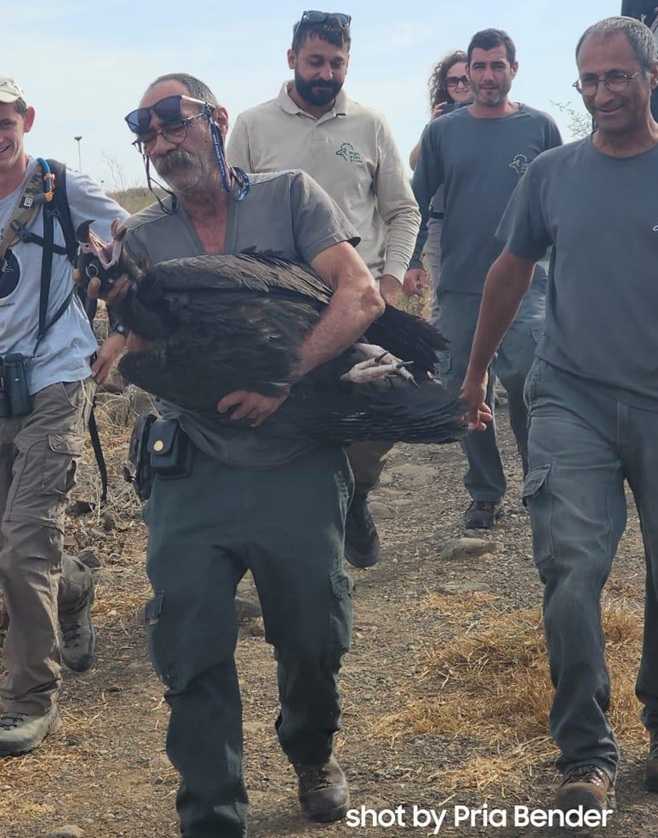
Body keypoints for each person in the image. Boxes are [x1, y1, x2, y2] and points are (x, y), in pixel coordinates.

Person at [92, 72, 383, 836]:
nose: (162, 143)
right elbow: (145, 347)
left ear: (215, 121)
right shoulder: (144, 237)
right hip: (193, 461)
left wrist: (285, 377)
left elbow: (361, 297)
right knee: (188, 639)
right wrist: (121, 308)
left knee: (314, 635)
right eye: (147, 135)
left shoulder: (290, 198)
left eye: (173, 124)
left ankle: (311, 750)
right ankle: (212, 812)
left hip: (296, 455)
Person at [461, 16, 658, 813]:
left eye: (615, 78)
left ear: (650, 78)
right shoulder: (552, 173)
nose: (599, 94)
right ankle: (583, 753)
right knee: (570, 571)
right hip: (571, 396)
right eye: (588, 80)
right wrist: (478, 372)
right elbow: (507, 275)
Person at [0, 71, 128, 759]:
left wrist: (124, 331)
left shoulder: (60, 186)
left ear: (27, 119)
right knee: (5, 547)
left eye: (4, 123)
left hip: (59, 377)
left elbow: (134, 243)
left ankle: (29, 699)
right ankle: (72, 591)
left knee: (23, 545)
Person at [228, 11, 420, 568]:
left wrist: (387, 280)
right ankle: (293, 552)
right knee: (284, 417)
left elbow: (401, 210)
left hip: (361, 304)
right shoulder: (251, 126)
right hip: (278, 308)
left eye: (337, 63)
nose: (326, 73)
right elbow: (228, 213)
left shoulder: (371, 125)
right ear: (291, 59)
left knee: (381, 408)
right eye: (315, 61)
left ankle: (356, 494)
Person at [403, 28, 562, 530]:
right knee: (462, 389)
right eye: (479, 67)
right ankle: (485, 492)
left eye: (498, 66)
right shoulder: (443, 132)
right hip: (460, 280)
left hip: (528, 281)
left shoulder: (540, 127)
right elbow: (418, 200)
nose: (488, 76)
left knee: (524, 378)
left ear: (513, 70)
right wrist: (410, 261)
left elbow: (562, 203)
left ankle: (541, 483)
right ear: (467, 73)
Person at [407, 50, 472, 323]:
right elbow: (415, 164)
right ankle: (442, 361)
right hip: (441, 222)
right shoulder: (439, 124)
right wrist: (432, 127)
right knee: (444, 298)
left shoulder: (494, 120)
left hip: (485, 222)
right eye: (452, 81)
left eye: (465, 80)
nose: (459, 86)